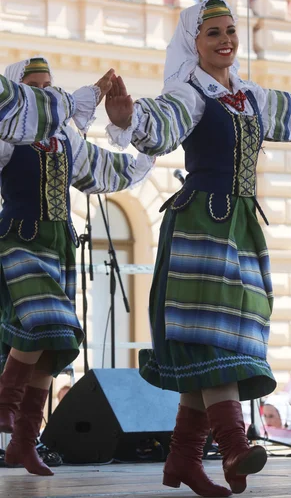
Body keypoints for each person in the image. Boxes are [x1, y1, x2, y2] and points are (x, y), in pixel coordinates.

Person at [104, 0, 291, 497]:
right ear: (194, 44)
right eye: (213, 34)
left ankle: (182, 460)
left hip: (241, 227)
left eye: (230, 31)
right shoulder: (191, 94)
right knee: (214, 338)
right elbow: (159, 123)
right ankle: (232, 447)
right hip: (201, 221)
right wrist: (130, 118)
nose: (226, 40)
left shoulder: (248, 96)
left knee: (223, 336)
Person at [0, 58, 153, 476]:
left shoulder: (67, 139)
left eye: (49, 85)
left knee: (56, 345)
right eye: (33, 87)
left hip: (60, 244)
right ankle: (5, 405)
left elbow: (104, 168)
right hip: (20, 238)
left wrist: (146, 148)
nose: (44, 94)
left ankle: (23, 442)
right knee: (44, 325)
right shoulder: (9, 136)